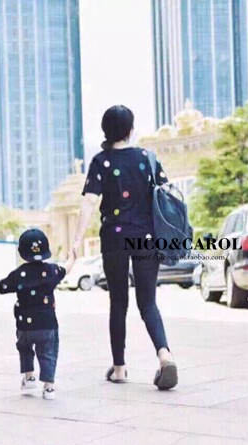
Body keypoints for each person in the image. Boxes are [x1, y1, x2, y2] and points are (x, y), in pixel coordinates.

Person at [71, 105, 178, 390]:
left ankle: (119, 368)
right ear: (131, 130)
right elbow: (166, 193)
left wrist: (77, 240)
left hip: (114, 239)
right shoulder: (147, 158)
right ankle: (165, 356)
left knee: (118, 303)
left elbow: (89, 201)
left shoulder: (100, 161)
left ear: (105, 131)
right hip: (146, 238)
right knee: (148, 302)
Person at [0, 228, 75, 400]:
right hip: (47, 323)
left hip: (24, 324)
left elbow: (4, 286)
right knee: (48, 353)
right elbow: (66, 269)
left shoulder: (19, 274)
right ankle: (49, 388)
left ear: (22, 252)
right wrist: (72, 257)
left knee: (25, 348)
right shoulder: (51, 271)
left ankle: (29, 378)